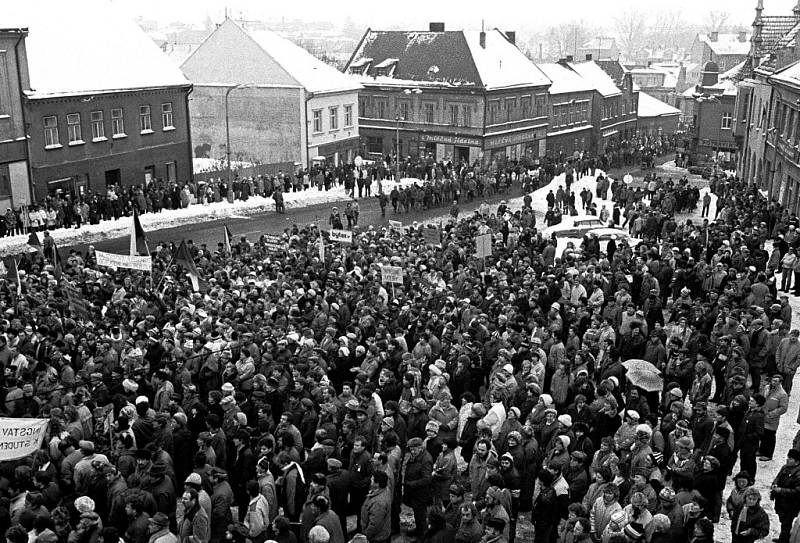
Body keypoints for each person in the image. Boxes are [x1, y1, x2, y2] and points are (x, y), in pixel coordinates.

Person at [772, 449, 800, 543]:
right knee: (783, 520)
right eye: (788, 457)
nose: (787, 459)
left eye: (791, 458)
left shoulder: (798, 474)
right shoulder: (785, 467)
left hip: (791, 503)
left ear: (797, 462)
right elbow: (778, 477)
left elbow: (797, 491)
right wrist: (775, 484)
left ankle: (783, 540)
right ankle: (784, 537)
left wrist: (781, 490)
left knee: (786, 523)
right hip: (781, 500)